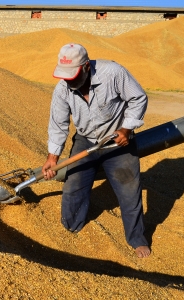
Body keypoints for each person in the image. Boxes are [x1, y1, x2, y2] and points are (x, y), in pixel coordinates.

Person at [41, 43, 151, 258]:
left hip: (118, 140)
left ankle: (137, 239)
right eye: (65, 75)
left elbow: (138, 98)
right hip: (85, 139)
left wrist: (126, 129)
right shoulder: (63, 88)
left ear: (86, 67)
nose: (68, 80)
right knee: (73, 186)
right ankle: (71, 227)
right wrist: (52, 157)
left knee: (129, 190)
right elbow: (58, 123)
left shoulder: (113, 73)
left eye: (73, 75)